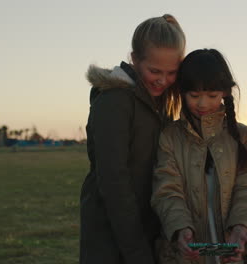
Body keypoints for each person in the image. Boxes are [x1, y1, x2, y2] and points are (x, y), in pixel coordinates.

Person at [79, 14, 186, 264]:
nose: (163, 80)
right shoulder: (115, 100)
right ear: (134, 59)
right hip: (112, 238)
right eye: (154, 71)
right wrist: (138, 253)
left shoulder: (157, 104)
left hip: (144, 233)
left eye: (172, 73)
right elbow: (113, 181)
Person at [151, 49, 247, 264]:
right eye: (194, 95)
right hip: (186, 253)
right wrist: (179, 228)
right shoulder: (170, 137)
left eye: (211, 95)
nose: (202, 104)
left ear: (226, 93)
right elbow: (166, 188)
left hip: (230, 251)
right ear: (182, 92)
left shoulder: (240, 135)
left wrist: (241, 226)